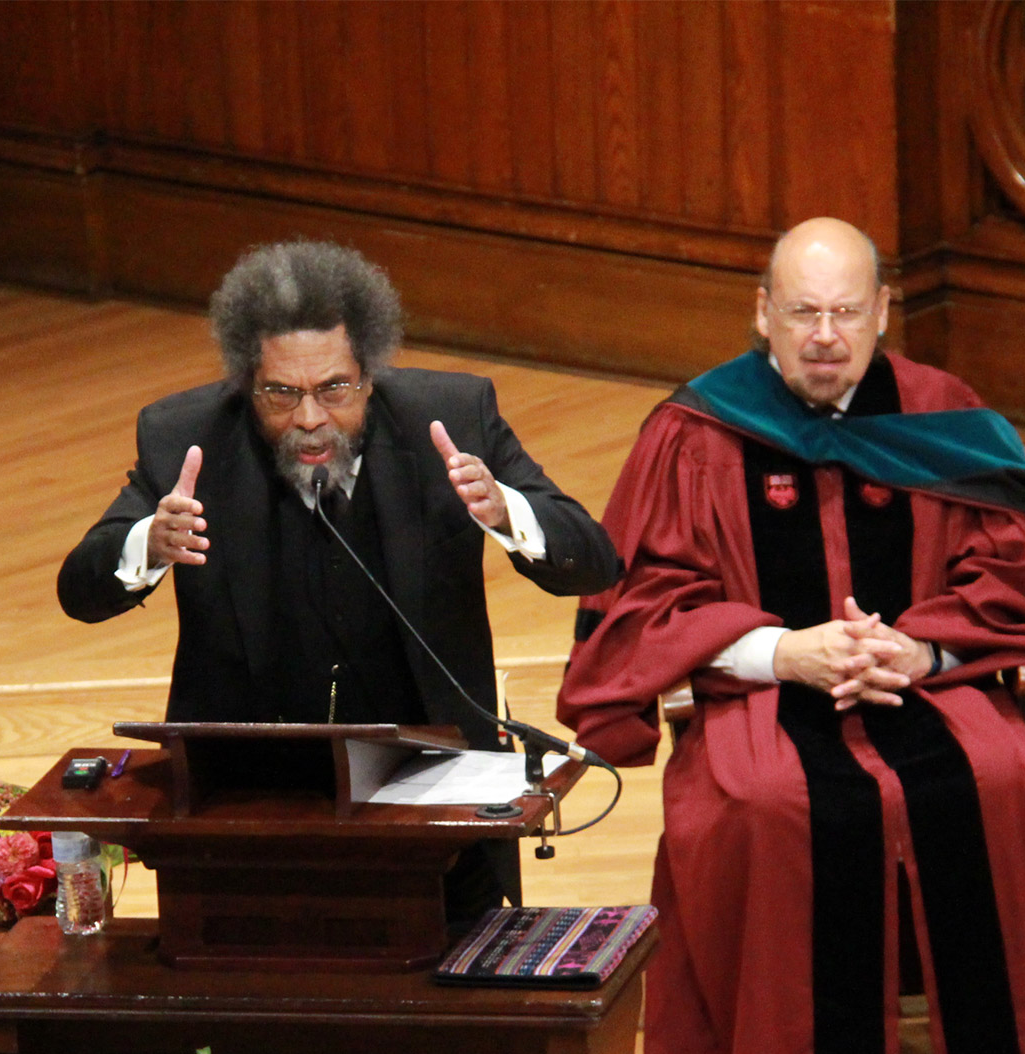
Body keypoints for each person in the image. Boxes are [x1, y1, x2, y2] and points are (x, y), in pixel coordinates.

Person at [557, 218, 1025, 1054]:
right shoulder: (698, 432)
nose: (824, 334)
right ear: (761, 314)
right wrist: (785, 651)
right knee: (769, 801)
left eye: (846, 312)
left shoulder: (946, 416)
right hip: (760, 688)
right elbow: (643, 599)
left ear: (884, 314)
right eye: (803, 311)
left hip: (924, 681)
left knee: (994, 778)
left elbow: (1018, 578)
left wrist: (920, 649)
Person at [60, 239, 619, 915]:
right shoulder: (184, 438)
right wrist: (148, 540)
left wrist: (508, 510)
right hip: (246, 797)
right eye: (280, 393)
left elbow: (592, 559)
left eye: (334, 388)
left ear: (372, 373)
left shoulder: (453, 418)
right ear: (246, 381)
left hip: (430, 786)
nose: (309, 417)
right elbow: (79, 591)